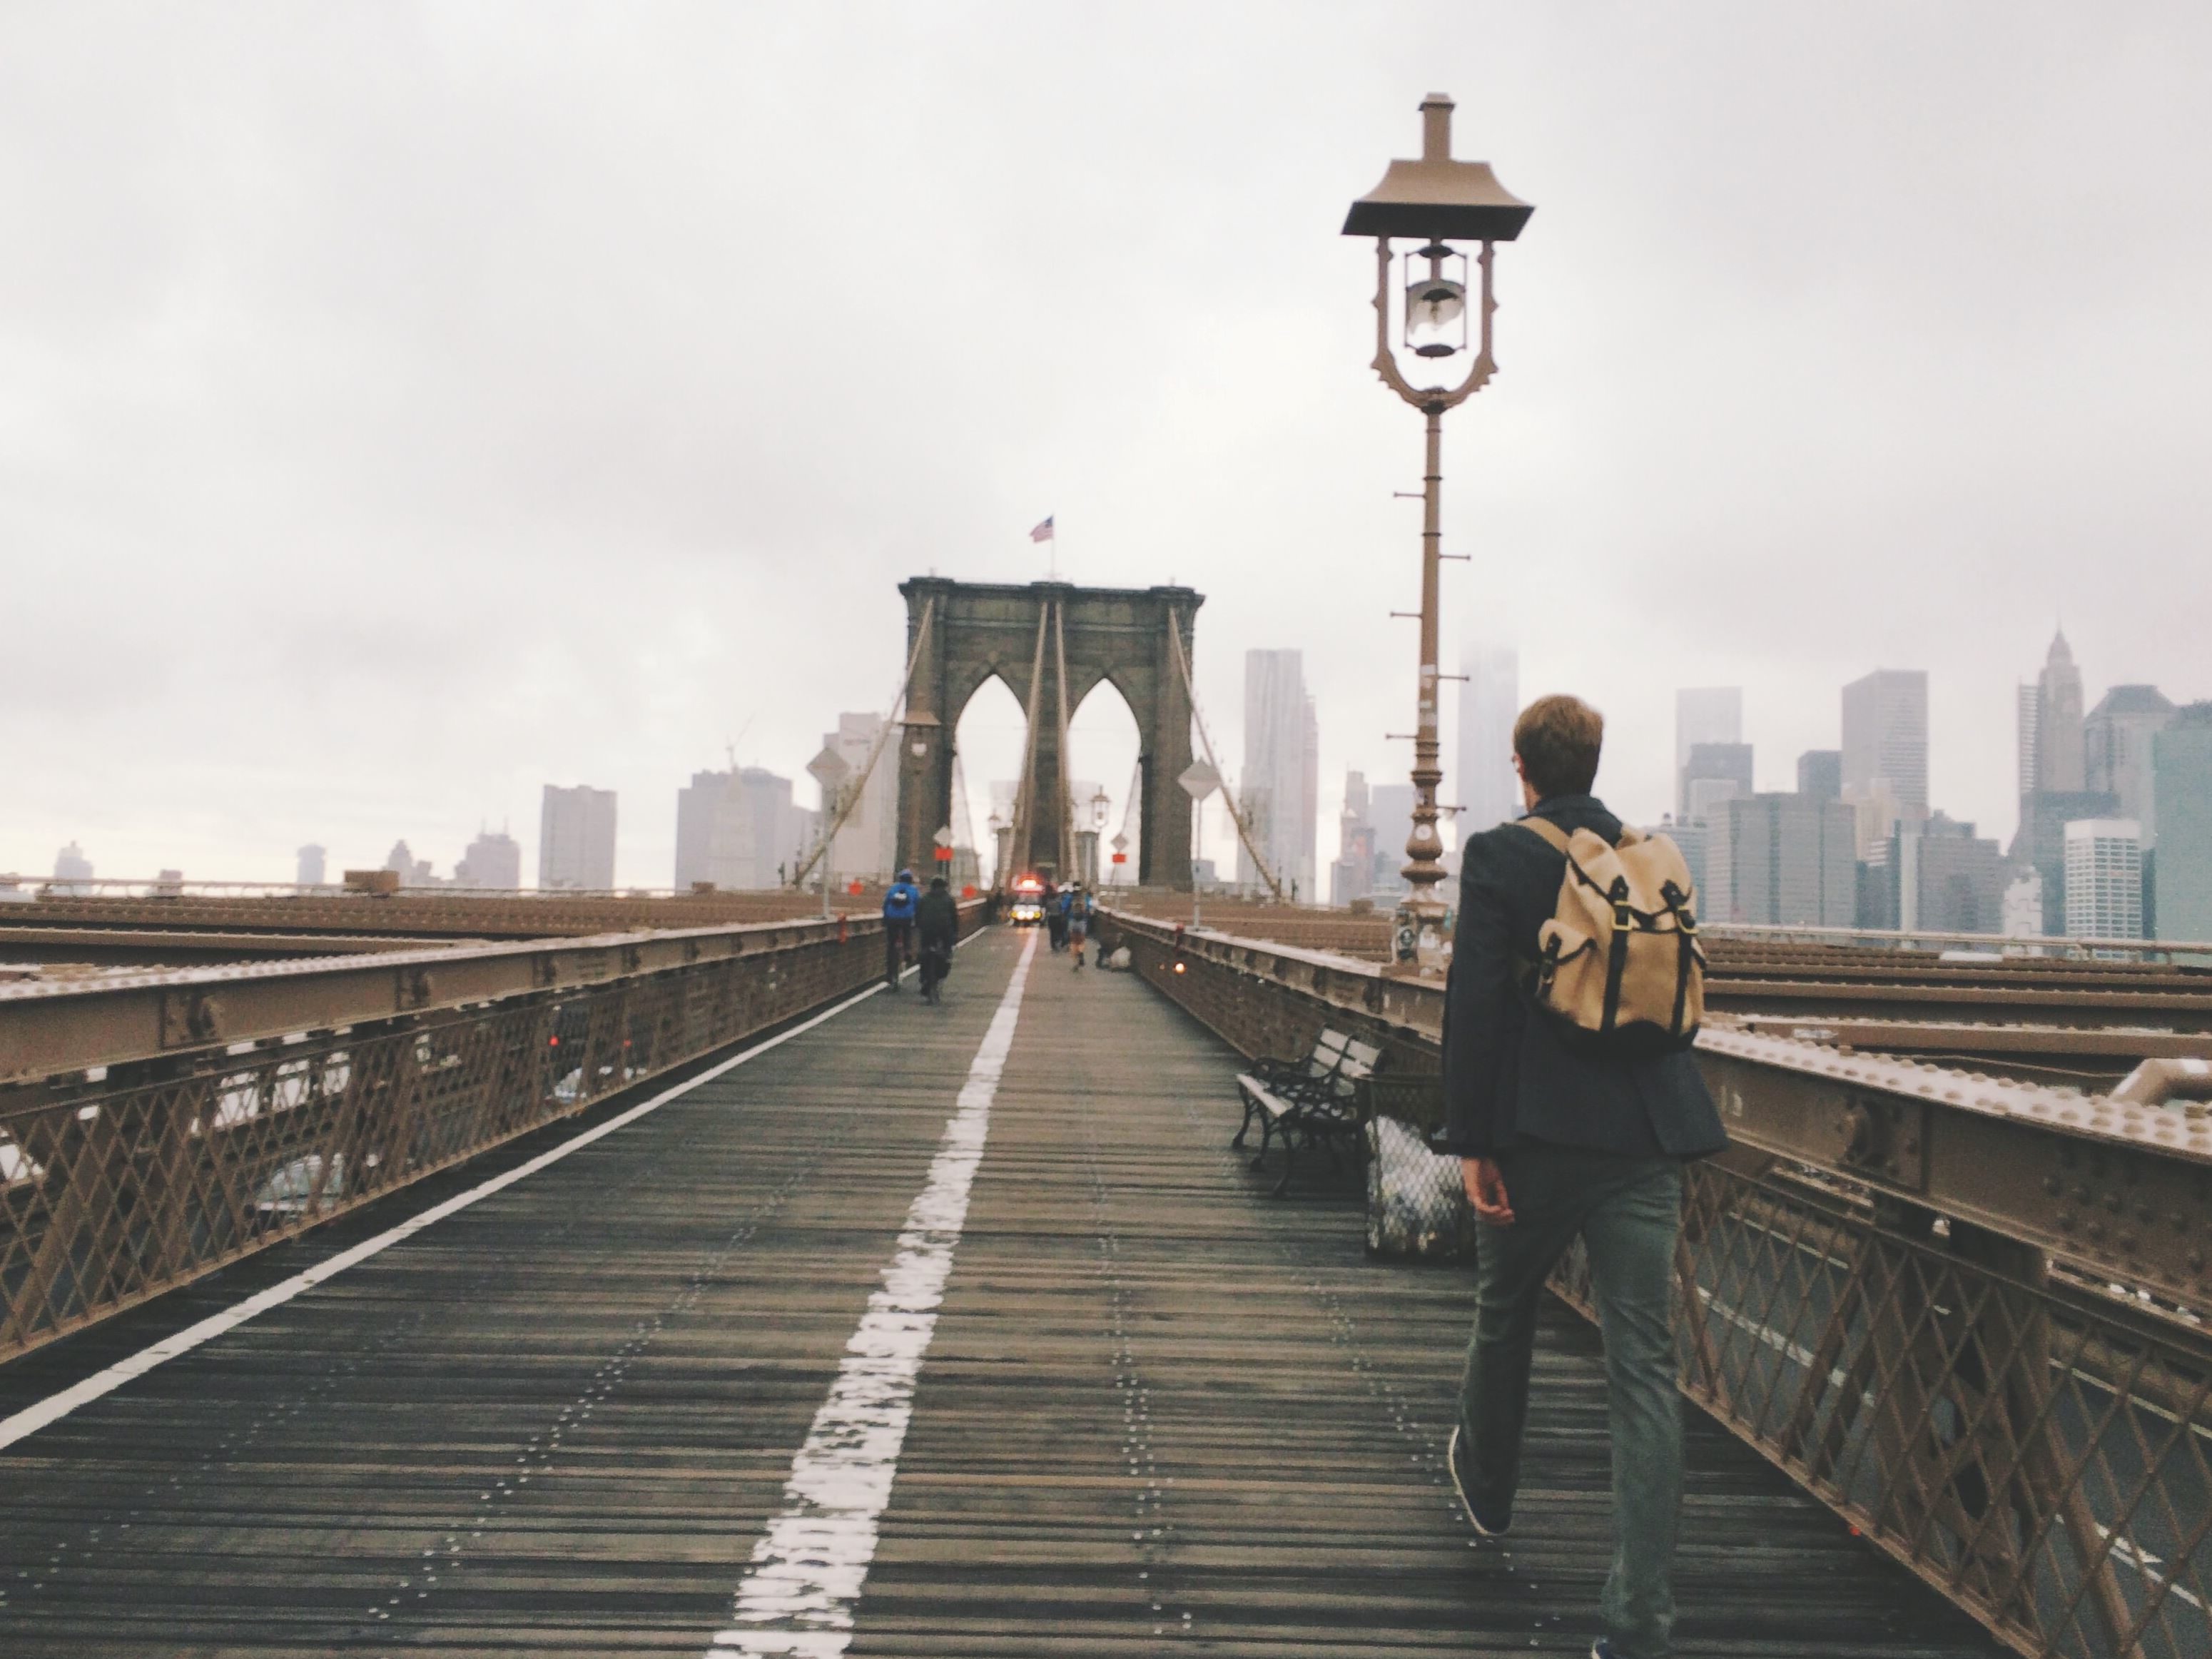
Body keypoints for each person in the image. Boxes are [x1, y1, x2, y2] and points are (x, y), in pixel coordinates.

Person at [1439, 694, 1727, 1659]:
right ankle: (1641, 1617)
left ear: (1522, 766)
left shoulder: (1500, 856)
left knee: (1504, 1308)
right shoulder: (1648, 856)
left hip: (1534, 1136)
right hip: (1648, 1136)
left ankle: (1488, 1488)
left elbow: (1476, 1008)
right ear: (1594, 766)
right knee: (1645, 1371)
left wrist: (1472, 1141)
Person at [915, 874, 958, 1003]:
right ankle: (940, 976)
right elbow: (954, 919)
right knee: (946, 955)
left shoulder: (924, 898)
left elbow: (918, 915)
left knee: (924, 953)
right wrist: (955, 935)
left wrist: (920, 927)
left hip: (927, 931)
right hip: (945, 932)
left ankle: (924, 977)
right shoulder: (949, 899)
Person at [881, 868, 920, 990]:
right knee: (907, 935)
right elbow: (918, 906)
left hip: (892, 919)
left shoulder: (893, 889)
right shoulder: (914, 890)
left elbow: (886, 904)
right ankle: (908, 950)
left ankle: (889, 973)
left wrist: (885, 918)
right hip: (906, 919)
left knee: (891, 945)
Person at [1067, 883, 1089, 969]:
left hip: (1072, 920)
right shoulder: (1085, 897)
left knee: (1073, 941)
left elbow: (1064, 907)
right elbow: (1089, 907)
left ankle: (1075, 962)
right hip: (1082, 921)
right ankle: (1081, 952)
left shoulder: (1070, 897)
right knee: (1081, 940)